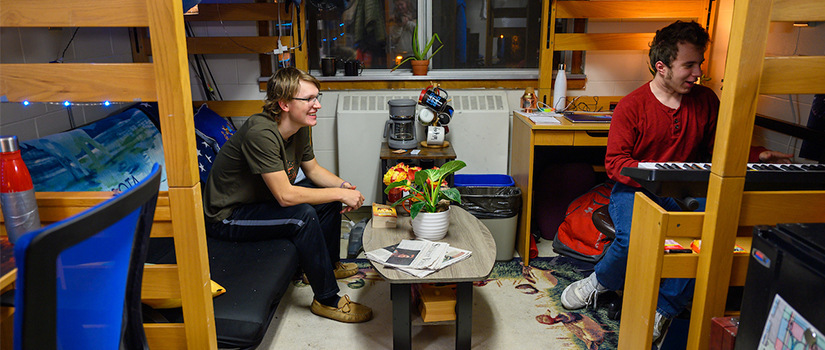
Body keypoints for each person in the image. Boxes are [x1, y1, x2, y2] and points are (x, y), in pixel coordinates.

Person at [559, 20, 792, 341]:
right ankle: (599, 282)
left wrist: (759, 154)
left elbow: (718, 150)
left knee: (707, 234)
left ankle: (664, 309)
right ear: (662, 66)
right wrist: (654, 175)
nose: (698, 72)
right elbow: (615, 165)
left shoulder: (706, 101)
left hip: (684, 190)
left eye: (700, 63)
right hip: (636, 188)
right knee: (631, 238)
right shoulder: (631, 107)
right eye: (689, 65)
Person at [203, 67, 372, 323]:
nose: (317, 105)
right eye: (309, 99)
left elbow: (313, 170)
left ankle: (330, 264)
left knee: (328, 199)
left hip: (260, 203)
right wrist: (336, 192)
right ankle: (326, 300)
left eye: (317, 97)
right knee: (302, 215)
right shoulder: (261, 133)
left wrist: (344, 188)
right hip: (228, 215)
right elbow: (285, 196)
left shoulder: (300, 126)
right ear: (283, 104)